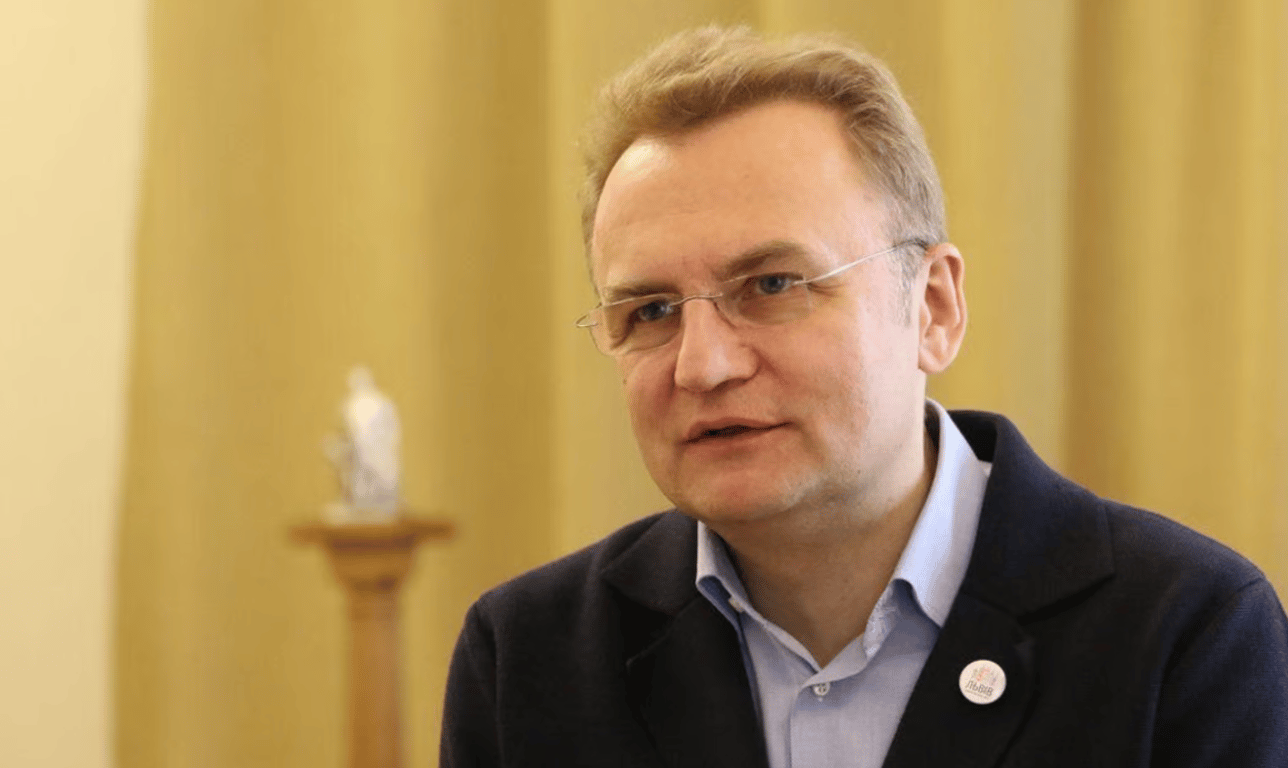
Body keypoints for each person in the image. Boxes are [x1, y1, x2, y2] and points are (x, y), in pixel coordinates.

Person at [440, 25, 1288, 768]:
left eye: (772, 285)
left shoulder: (1188, 632)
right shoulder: (529, 658)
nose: (702, 366)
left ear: (933, 309)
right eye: (652, 311)